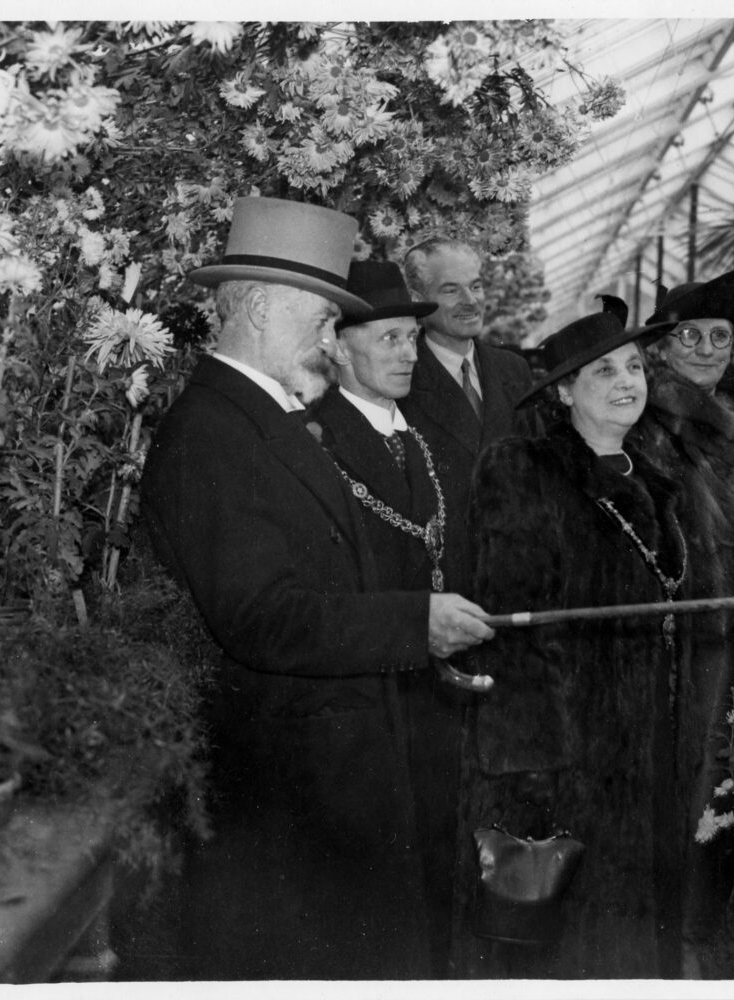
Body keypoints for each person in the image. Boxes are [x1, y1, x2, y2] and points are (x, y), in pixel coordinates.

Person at [140, 198, 494, 980]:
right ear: (261, 307)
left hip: (332, 775)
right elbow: (260, 618)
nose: (332, 343)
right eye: (323, 319)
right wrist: (415, 624)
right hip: (286, 794)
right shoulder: (212, 432)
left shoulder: (260, 418)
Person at [452, 301, 687, 978]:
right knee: (566, 953)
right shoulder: (524, 470)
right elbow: (512, 630)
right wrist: (532, 781)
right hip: (566, 761)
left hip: (644, 754)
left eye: (635, 366)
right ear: (562, 391)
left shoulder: (652, 479)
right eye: (603, 370)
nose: (626, 381)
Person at [307, 259, 461, 978]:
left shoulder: (423, 439)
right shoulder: (316, 443)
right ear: (336, 345)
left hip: (435, 703)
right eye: (389, 339)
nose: (408, 354)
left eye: (412, 339)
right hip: (366, 705)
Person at [628, 267, 734, 964]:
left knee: (733, 764)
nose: (710, 348)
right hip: (685, 621)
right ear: (664, 345)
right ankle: (680, 935)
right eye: (693, 336)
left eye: (721, 336)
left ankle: (712, 922)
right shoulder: (650, 417)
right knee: (693, 765)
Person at [399, 236, 535, 591]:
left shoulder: (513, 372)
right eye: (451, 290)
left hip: (517, 577)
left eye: (475, 286)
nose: (471, 301)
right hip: (444, 582)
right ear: (418, 301)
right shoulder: (401, 378)